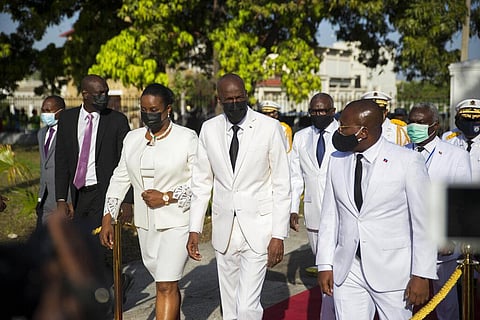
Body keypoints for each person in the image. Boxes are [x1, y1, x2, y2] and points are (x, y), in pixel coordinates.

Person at [316, 99, 437, 320]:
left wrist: (422, 274)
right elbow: (330, 217)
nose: (338, 131)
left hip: (393, 273)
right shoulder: (336, 160)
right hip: (348, 270)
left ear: (363, 132)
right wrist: (324, 263)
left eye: (344, 127)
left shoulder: (408, 161)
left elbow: (425, 222)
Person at [186, 73, 291, 319]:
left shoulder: (269, 127)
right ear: (219, 99)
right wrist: (194, 228)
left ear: (246, 95)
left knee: (247, 306)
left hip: (259, 228)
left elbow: (282, 184)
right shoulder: (209, 129)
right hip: (225, 229)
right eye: (228, 99)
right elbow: (201, 183)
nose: (235, 103)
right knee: (230, 304)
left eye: (239, 97)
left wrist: (278, 234)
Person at [99, 83, 198, 319]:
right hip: (146, 225)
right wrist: (107, 217)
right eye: (144, 110)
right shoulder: (132, 139)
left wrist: (166, 197)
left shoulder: (187, 138)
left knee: (165, 285)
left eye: (154, 110)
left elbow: (200, 182)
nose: (148, 115)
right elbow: (120, 178)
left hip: (177, 221)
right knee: (165, 284)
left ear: (168, 110)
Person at [405, 102, 471, 320]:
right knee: (404, 299)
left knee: (445, 301)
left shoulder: (455, 156)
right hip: (406, 240)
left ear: (435, 125)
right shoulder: (401, 153)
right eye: (411, 122)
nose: (414, 126)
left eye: (420, 122)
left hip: (441, 243)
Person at [55, 74, 133, 230]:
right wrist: (61, 199)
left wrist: (127, 200)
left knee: (98, 245)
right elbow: (61, 160)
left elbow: (126, 161)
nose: (105, 97)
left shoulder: (117, 121)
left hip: (102, 192)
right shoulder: (67, 119)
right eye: (100, 93)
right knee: (78, 244)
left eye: (106, 92)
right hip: (77, 193)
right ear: (85, 94)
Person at [289, 92, 337, 319]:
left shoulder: (344, 132)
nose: (318, 115)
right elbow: (295, 177)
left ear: (332, 111)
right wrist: (292, 209)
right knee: (324, 268)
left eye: (323, 111)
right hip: (314, 213)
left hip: (340, 212)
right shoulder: (300, 137)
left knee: (342, 269)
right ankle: (328, 311)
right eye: (314, 111)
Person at [36, 95, 69, 228]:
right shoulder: (41, 133)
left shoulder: (68, 133)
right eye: (43, 110)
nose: (45, 114)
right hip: (45, 196)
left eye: (48, 111)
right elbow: (44, 165)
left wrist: (68, 200)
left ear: (60, 112)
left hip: (62, 195)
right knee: (42, 238)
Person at [442, 98, 480, 182]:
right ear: (458, 120)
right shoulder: (448, 139)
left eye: (476, 119)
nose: (471, 122)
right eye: (466, 119)